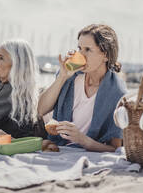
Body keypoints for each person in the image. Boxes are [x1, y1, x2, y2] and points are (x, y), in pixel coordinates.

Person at [38, 24, 127, 152]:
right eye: (79, 48)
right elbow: (41, 109)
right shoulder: (71, 77)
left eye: (87, 50)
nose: (81, 55)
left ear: (105, 55)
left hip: (83, 152)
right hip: (58, 146)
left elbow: (114, 148)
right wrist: (62, 77)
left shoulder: (117, 93)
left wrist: (82, 139)